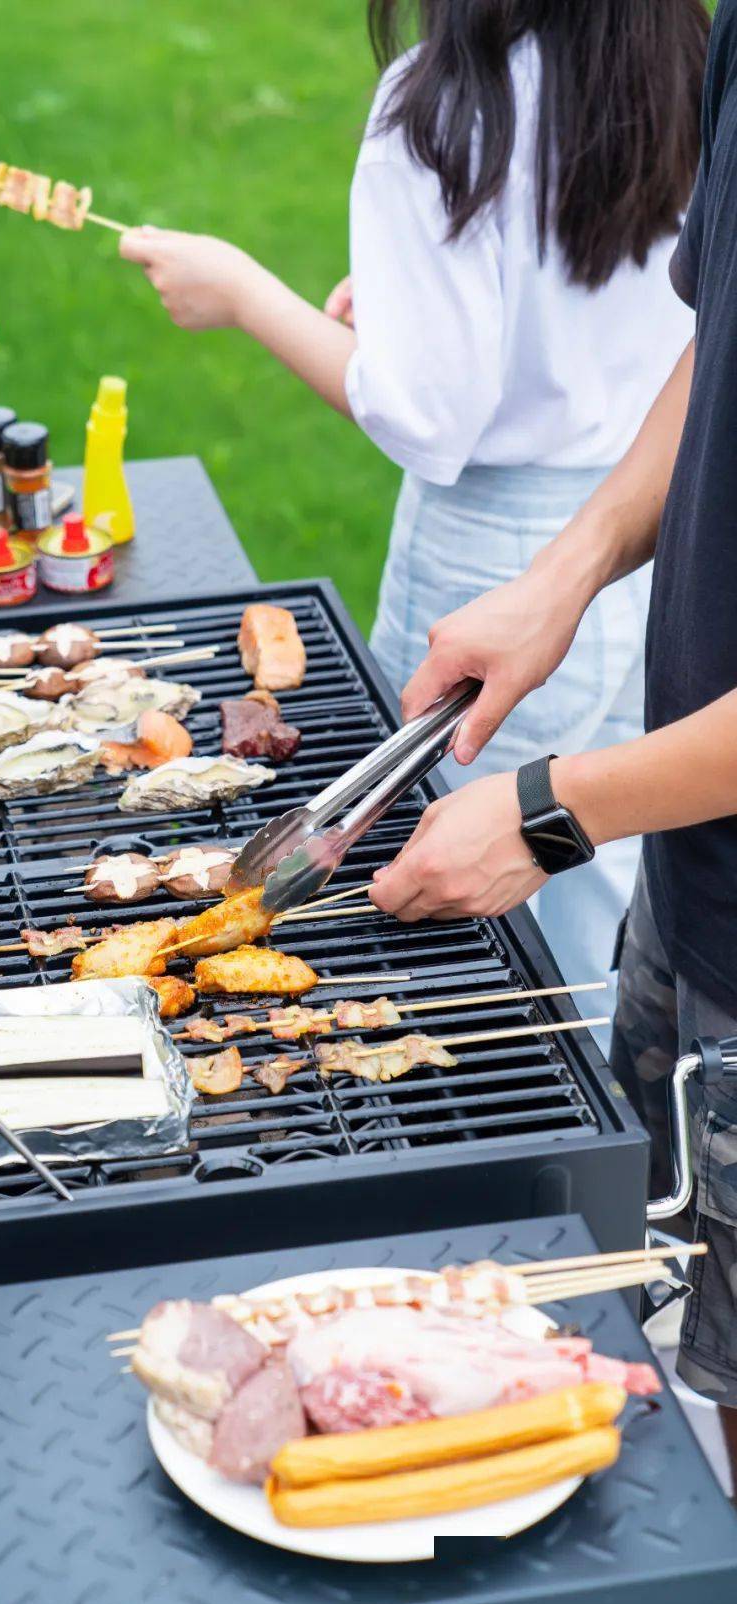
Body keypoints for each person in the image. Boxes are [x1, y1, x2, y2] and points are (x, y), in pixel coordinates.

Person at [118, 0, 707, 1010]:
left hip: (500, 566)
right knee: (597, 876)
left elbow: (429, 414)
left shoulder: (440, 107)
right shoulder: (677, 48)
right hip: (657, 535)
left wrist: (245, 294)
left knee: (460, 911)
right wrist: (408, 308)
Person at [359, 0, 737, 1490]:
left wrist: (561, 805)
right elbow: (721, 344)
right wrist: (563, 575)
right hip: (696, 888)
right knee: (656, 1322)